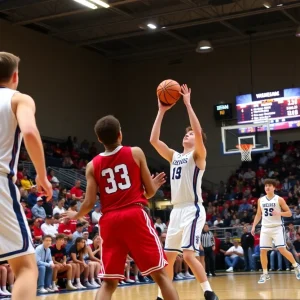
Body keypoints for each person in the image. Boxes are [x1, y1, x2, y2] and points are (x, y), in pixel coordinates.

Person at [65, 115, 179, 300]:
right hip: (134, 214)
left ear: (100, 139)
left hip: (109, 221)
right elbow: (148, 193)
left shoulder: (92, 166)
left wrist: (75, 214)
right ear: (120, 134)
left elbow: (88, 203)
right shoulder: (135, 152)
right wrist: (154, 185)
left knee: (108, 282)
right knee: (160, 275)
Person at [150, 84, 218, 300]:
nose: (187, 135)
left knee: (188, 254)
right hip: (176, 211)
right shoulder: (174, 156)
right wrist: (161, 111)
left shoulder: (198, 155)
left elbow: (198, 132)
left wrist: (187, 103)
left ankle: (209, 292)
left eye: (190, 134)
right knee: (168, 258)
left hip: (193, 209)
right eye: (186, 133)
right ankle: (162, 296)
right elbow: (153, 140)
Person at [0, 52, 52, 300]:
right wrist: (42, 175)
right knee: (25, 267)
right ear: (15, 76)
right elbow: (29, 131)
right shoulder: (19, 99)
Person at [251, 178, 300, 283]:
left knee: (282, 250)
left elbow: (289, 213)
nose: (267, 187)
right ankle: (265, 274)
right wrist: (254, 226)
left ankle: (296, 266)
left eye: (269, 185)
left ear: (274, 187)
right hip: (265, 228)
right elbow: (258, 214)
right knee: (262, 251)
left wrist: (279, 213)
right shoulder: (260, 200)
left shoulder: (279, 199)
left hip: (277, 227)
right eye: (265, 186)